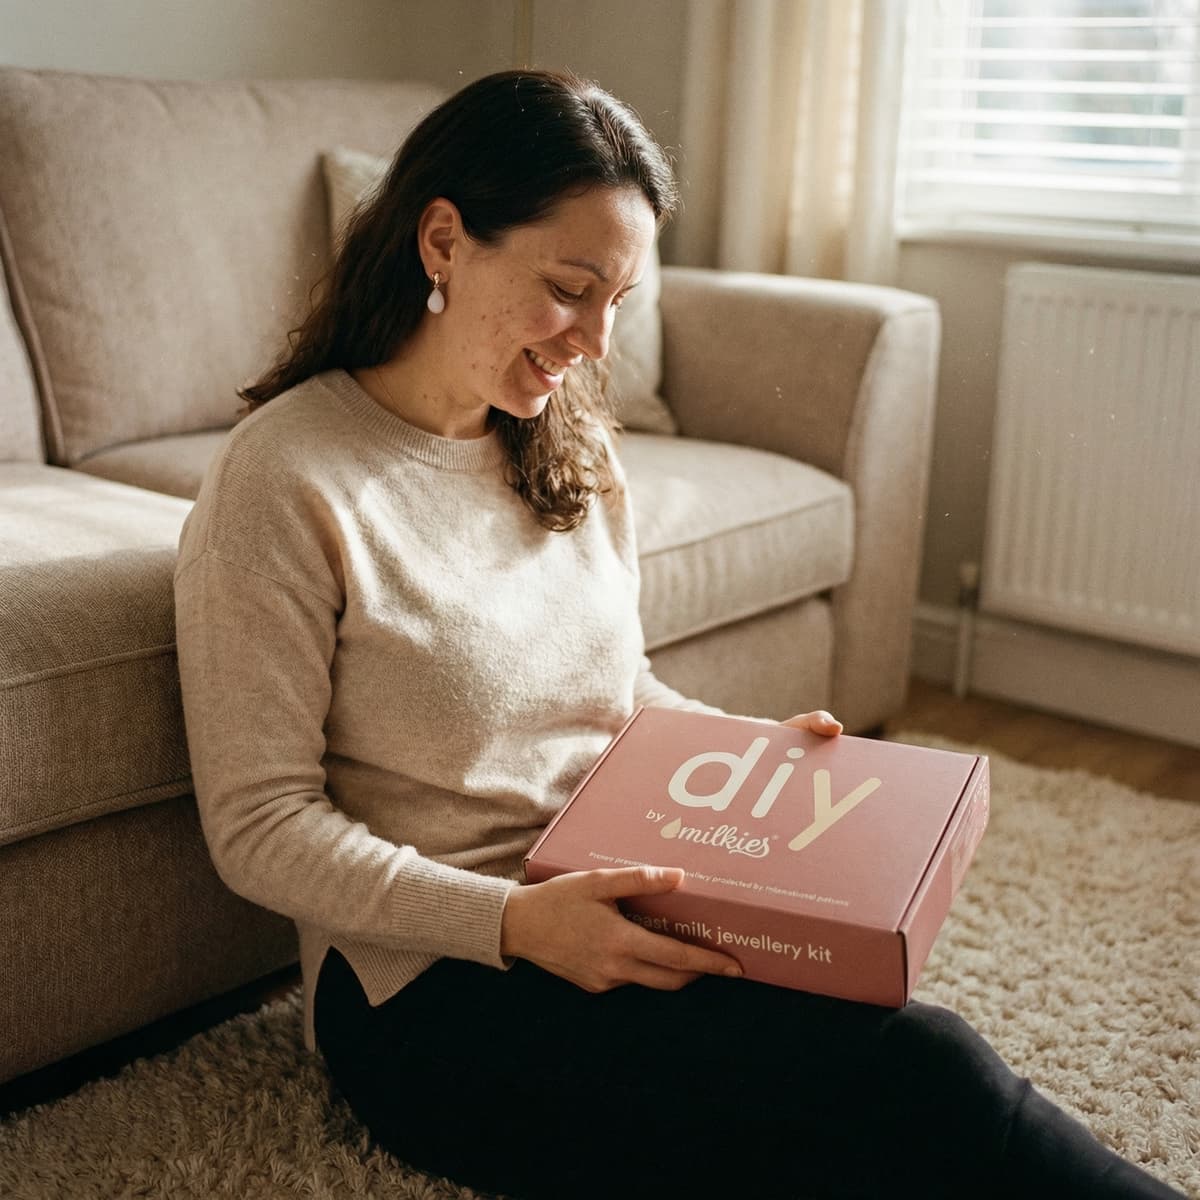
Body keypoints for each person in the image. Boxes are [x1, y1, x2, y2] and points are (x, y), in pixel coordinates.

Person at [173, 69, 1185, 1200]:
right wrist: (515, 924)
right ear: (445, 242)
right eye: (571, 288)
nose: (596, 341)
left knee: (891, 1045)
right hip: (431, 989)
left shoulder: (563, 442)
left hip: (622, 904)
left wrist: (752, 758)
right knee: (911, 1086)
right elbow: (259, 826)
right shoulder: (286, 476)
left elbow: (614, 689)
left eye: (620, 300)